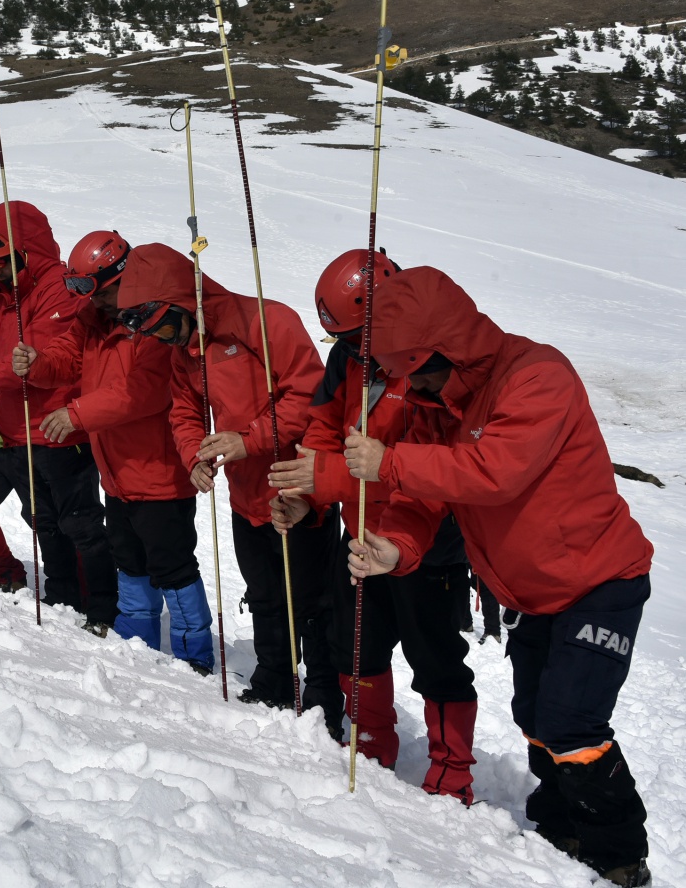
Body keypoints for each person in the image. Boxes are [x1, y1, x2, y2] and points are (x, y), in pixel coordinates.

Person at [345, 266, 653, 887]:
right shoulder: (439, 403)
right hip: (533, 595)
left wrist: (392, 462)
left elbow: (494, 470)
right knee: (536, 712)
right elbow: (424, 499)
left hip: (600, 582)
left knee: (571, 721)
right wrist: (396, 549)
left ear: (449, 349)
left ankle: (619, 856)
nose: (414, 387)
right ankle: (560, 822)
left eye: (418, 371)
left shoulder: (538, 375)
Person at [269, 250, 478, 804]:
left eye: (358, 335)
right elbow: (321, 429)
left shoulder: (428, 370)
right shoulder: (347, 360)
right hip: (359, 532)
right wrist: (304, 495)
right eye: (342, 337)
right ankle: (371, 742)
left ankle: (451, 772)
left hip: (427, 544)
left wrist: (327, 478)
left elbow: (425, 474)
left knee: (436, 656)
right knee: (355, 645)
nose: (354, 349)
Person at [115, 242, 339, 720]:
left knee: (314, 601)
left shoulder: (266, 321)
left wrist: (250, 438)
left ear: (181, 303)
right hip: (247, 493)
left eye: (167, 327)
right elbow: (185, 408)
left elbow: (311, 395)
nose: (169, 341)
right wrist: (194, 453)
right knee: (263, 594)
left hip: (298, 488)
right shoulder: (186, 349)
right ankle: (275, 681)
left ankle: (325, 701)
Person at [15, 232, 212, 670]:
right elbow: (68, 358)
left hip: (159, 471)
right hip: (117, 470)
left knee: (172, 566)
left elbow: (144, 390)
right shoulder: (96, 317)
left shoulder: (154, 319)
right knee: (129, 559)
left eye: (102, 292)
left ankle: (193, 659)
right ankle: (135, 646)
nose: (97, 302)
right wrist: (40, 362)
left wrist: (78, 414)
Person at [0, 203, 118, 632]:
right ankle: (65, 600)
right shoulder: (6, 290)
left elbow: (26, 358)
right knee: (46, 525)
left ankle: (101, 611)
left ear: (25, 251)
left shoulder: (58, 290)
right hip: (15, 433)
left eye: (0, 263)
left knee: (80, 526)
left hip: (57, 430)